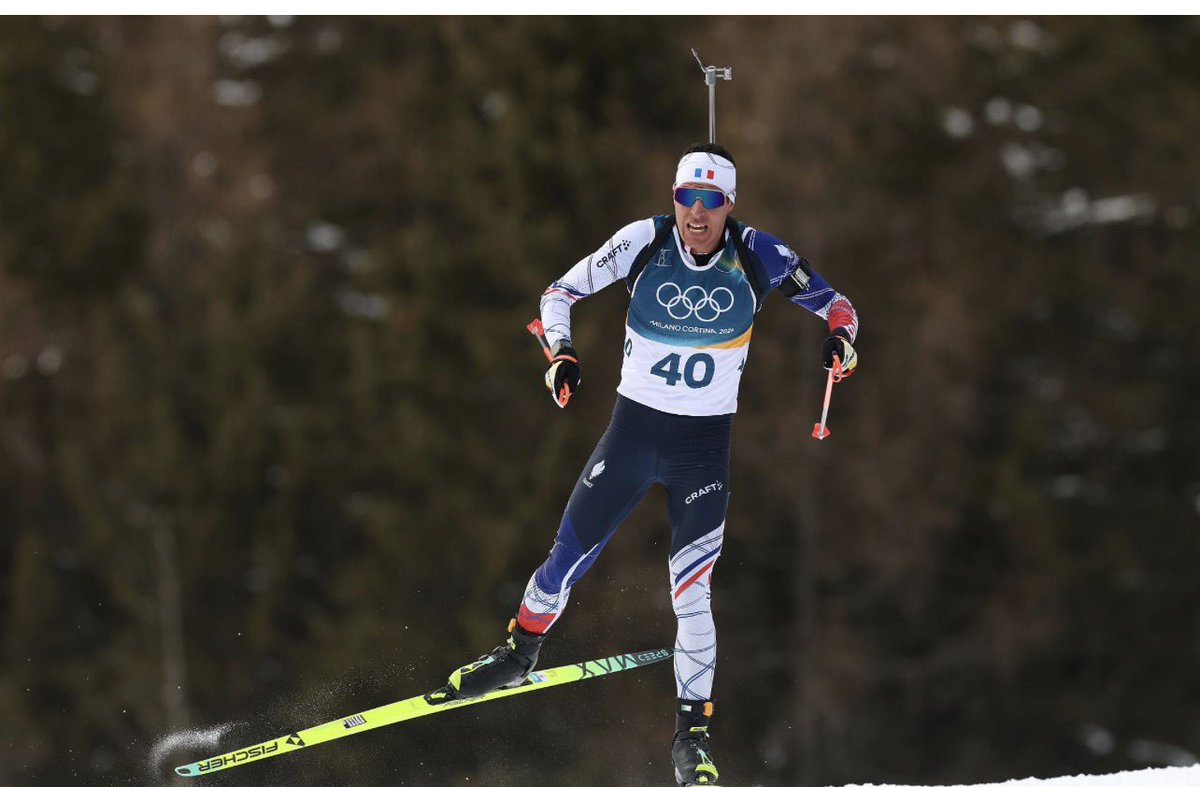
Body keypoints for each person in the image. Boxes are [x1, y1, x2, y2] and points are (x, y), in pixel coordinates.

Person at [440, 143, 859, 787]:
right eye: (685, 197)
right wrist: (562, 354)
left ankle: (692, 738)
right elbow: (559, 294)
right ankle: (519, 653)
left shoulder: (758, 254)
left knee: (691, 594)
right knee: (564, 559)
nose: (696, 212)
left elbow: (838, 306)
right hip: (631, 437)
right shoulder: (644, 240)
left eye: (711, 200)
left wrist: (840, 342)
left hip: (703, 453)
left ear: (729, 206)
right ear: (673, 199)